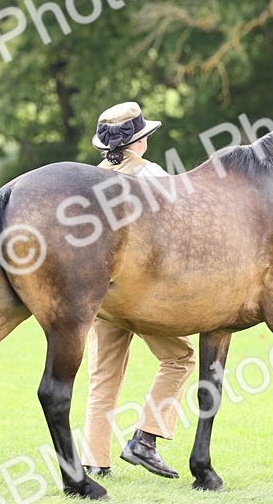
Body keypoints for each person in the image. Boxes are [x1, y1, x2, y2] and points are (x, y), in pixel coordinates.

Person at [82, 102, 197, 479]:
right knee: (181, 357)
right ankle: (146, 436)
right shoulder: (152, 174)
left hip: (99, 291)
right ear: (140, 141)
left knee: (103, 376)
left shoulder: (89, 178)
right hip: (142, 289)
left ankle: (95, 459)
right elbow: (177, 231)